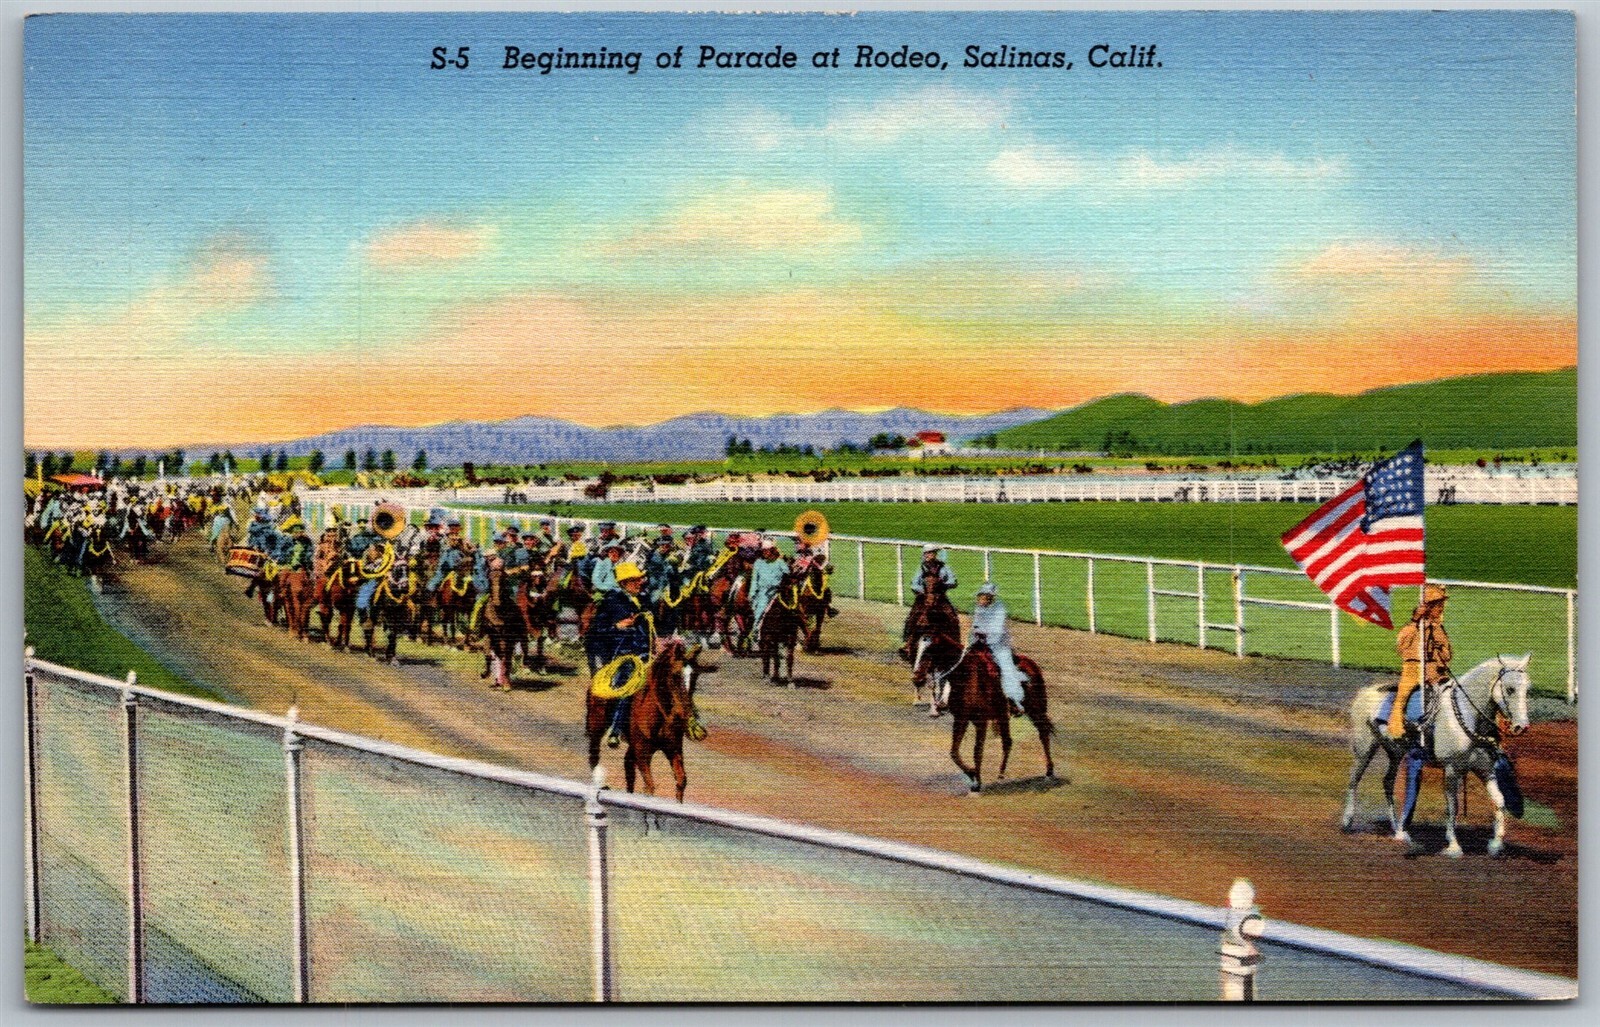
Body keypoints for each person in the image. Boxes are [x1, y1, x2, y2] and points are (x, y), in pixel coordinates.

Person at [594, 562, 655, 746]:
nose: (640, 583)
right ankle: (616, 729)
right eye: (635, 581)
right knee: (628, 685)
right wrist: (617, 627)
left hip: (646, 650)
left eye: (640, 580)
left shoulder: (643, 600)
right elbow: (597, 630)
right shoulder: (611, 601)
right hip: (623, 652)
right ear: (624, 583)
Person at [1389, 584, 1452, 740]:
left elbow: (1447, 654)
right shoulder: (1413, 627)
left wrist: (1441, 652)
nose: (1441, 609)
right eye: (1438, 605)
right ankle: (1395, 728)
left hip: (1435, 671)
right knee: (1403, 695)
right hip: (1414, 668)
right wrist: (1416, 621)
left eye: (1441, 605)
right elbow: (1401, 645)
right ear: (1429, 607)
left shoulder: (1438, 628)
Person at [970, 583, 1024, 718]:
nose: (981, 599)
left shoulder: (1000, 609)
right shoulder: (978, 608)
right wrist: (973, 638)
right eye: (980, 596)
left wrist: (984, 639)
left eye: (984, 596)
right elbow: (975, 627)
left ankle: (1015, 701)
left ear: (991, 598)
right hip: (980, 644)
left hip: (999, 646)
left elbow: (997, 632)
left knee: (1007, 668)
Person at [901, 543, 957, 654]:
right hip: (923, 597)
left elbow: (953, 581)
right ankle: (908, 643)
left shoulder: (944, 567)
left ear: (935, 554)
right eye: (926, 553)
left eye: (930, 553)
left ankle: (955, 642)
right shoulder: (921, 568)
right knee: (913, 616)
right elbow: (914, 584)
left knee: (952, 616)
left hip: (940, 597)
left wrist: (943, 585)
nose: (928, 555)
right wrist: (924, 591)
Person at [750, 539, 789, 630]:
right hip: (764, 592)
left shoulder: (780, 562)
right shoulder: (758, 563)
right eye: (763, 550)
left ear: (772, 550)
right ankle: (755, 630)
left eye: (766, 550)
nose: (764, 552)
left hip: (778, 591)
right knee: (760, 608)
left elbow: (788, 575)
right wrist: (752, 594)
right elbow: (754, 580)